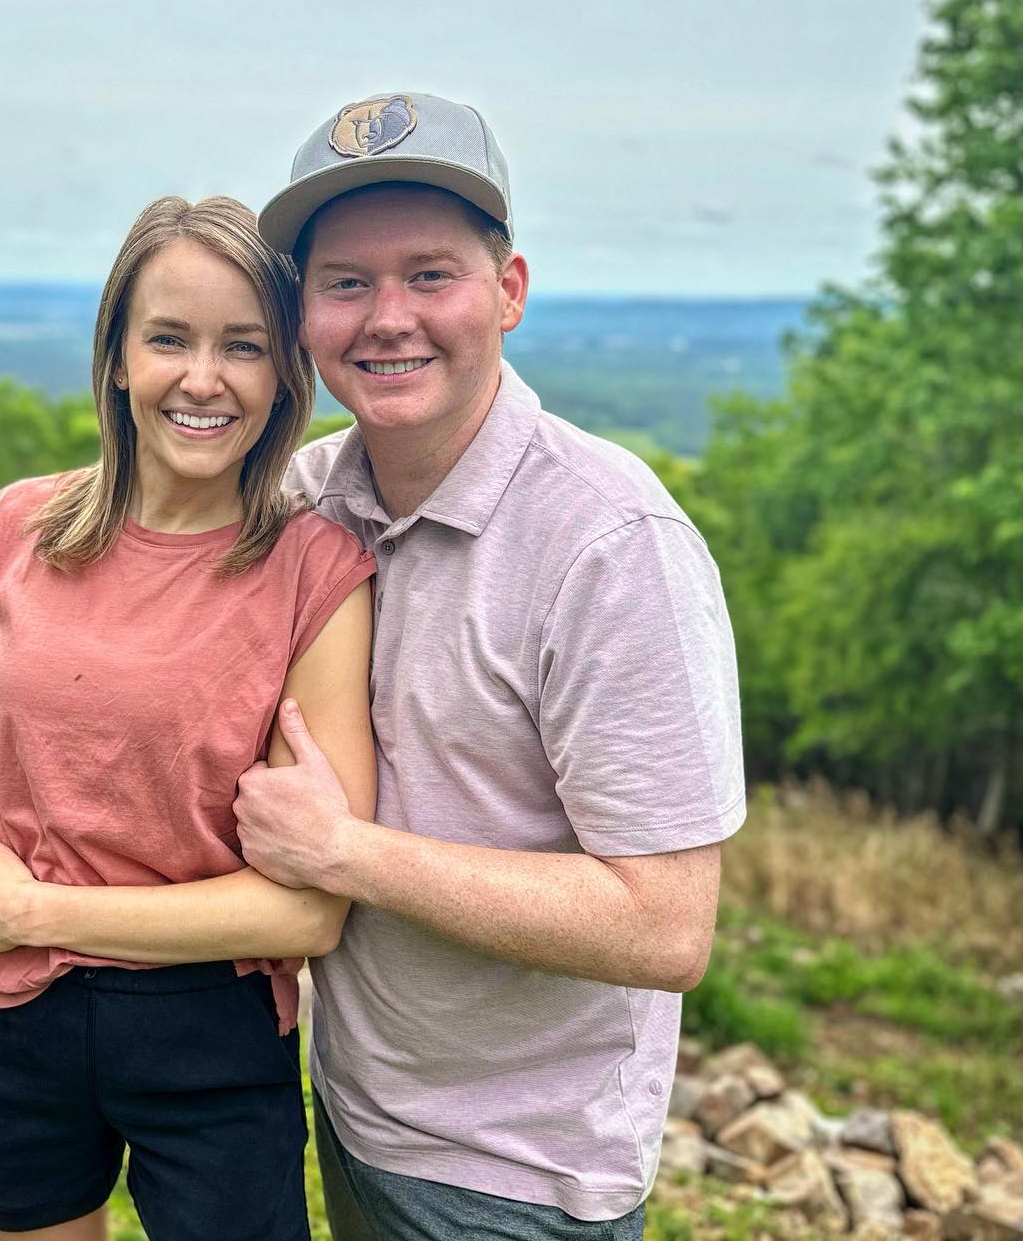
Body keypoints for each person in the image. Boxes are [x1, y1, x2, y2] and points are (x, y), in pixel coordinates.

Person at [232, 93, 747, 1241]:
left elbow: (666, 927)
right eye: (346, 282)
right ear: (304, 315)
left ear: (508, 291)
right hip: (351, 1106)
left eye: (431, 274)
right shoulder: (308, 499)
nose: (388, 319)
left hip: (521, 1173)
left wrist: (342, 853)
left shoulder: (611, 545)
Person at [0, 195, 377, 1241]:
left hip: (206, 1034)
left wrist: (40, 915)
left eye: (243, 346)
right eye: (169, 339)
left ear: (284, 375)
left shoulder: (319, 572)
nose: (204, 378)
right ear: (117, 358)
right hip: (6, 1011)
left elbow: (308, 914)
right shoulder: (21, 526)